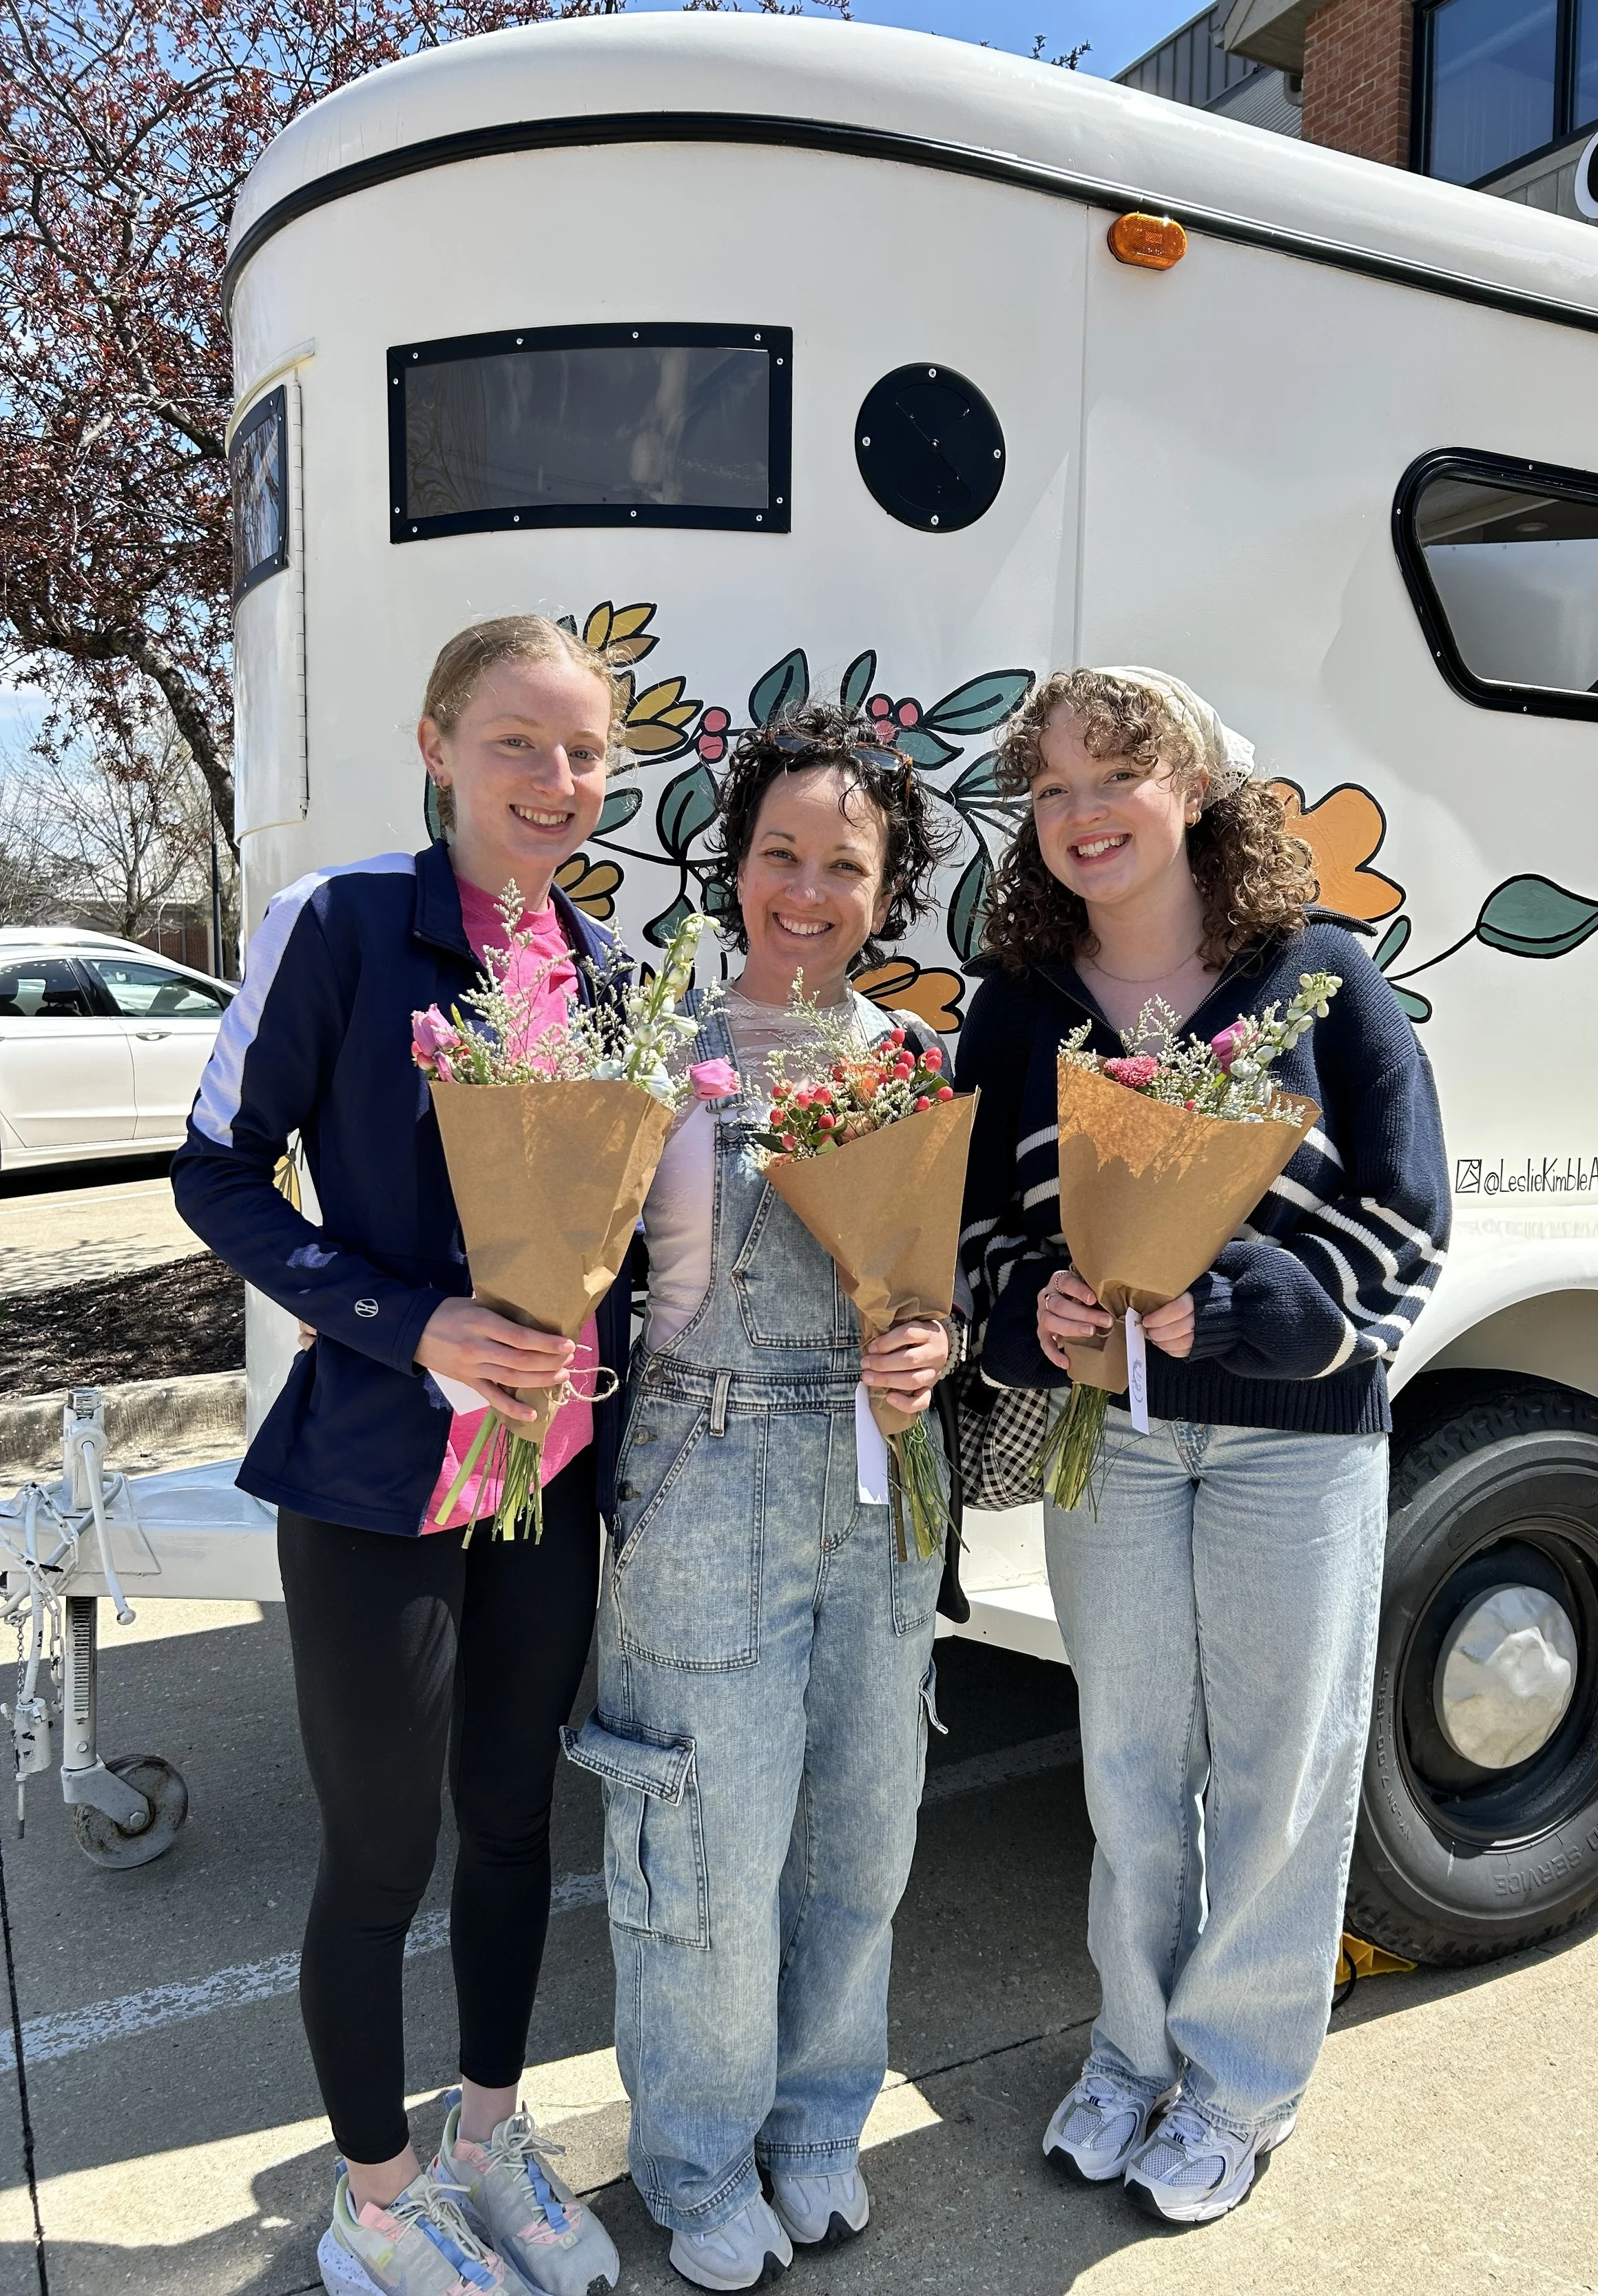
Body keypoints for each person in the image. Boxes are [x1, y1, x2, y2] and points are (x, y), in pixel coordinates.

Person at [955, 668, 1449, 2226]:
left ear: (1191, 789)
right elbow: (966, 1230)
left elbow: (1408, 1219)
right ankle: (1125, 2048)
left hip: (1291, 1445)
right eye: (1047, 790)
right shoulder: (1017, 1006)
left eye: (1114, 777)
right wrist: (1027, 1304)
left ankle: (1235, 2083)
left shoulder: (1314, 975)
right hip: (1112, 1442)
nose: (1082, 814)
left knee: (1275, 1775)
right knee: (1124, 1764)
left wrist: (1260, 1306)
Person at [174, 614, 631, 2296]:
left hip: (548, 1469)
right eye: (518, 741)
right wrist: (403, 1321)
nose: (557, 780)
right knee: (380, 1849)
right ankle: (375, 2203)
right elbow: (214, 1173)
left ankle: (491, 2139)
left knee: (513, 1818)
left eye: (584, 752)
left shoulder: (601, 967)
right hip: (376, 1469)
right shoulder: (348, 925)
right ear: (436, 744)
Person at [564, 703, 962, 2292]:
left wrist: (931, 1344)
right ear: (733, 867)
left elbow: (937, 1290)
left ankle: (814, 2129)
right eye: (778, 855)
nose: (806, 889)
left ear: (887, 889)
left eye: (843, 865)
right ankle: (695, 2155)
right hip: (698, 1464)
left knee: (860, 1833)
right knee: (705, 1853)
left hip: (873, 1484)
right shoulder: (654, 1048)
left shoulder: (907, 1063)